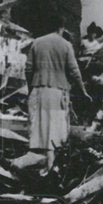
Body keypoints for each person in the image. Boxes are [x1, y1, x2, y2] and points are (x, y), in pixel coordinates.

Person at [25, 10, 86, 175]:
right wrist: (83, 90)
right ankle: (52, 167)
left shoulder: (37, 43)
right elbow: (74, 71)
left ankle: (43, 166)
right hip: (58, 91)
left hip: (39, 89)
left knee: (39, 129)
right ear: (61, 27)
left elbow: (28, 69)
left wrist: (32, 88)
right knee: (56, 130)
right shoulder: (66, 45)